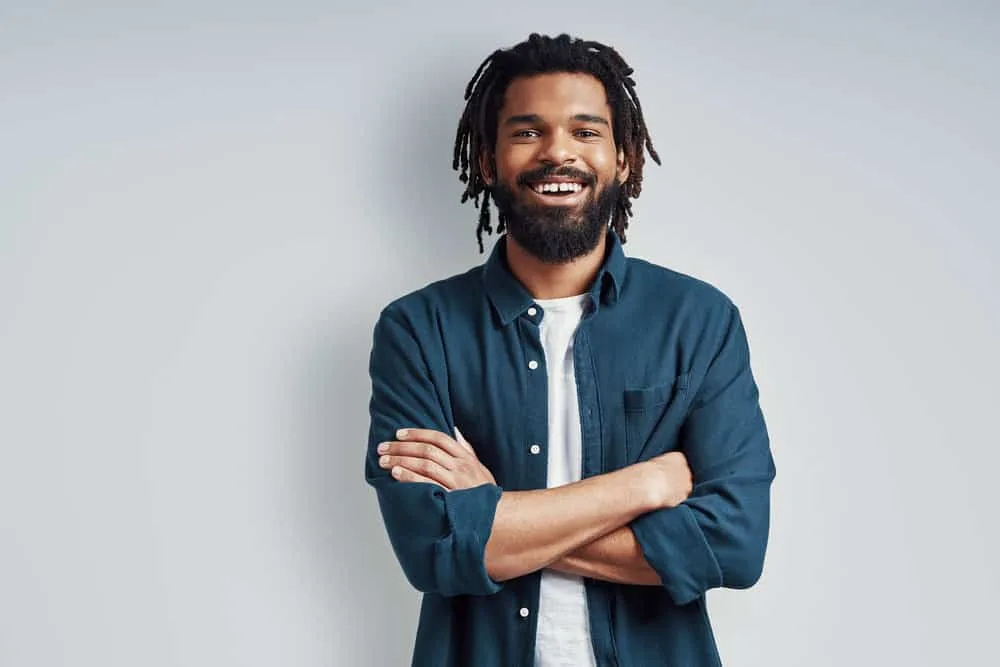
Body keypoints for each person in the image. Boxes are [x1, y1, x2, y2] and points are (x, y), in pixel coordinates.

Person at [364, 33, 775, 667]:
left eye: (586, 132)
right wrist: (645, 484)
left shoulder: (699, 321)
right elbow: (434, 546)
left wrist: (496, 514)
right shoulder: (420, 329)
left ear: (624, 158)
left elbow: (733, 547)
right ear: (488, 161)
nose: (559, 152)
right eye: (528, 132)